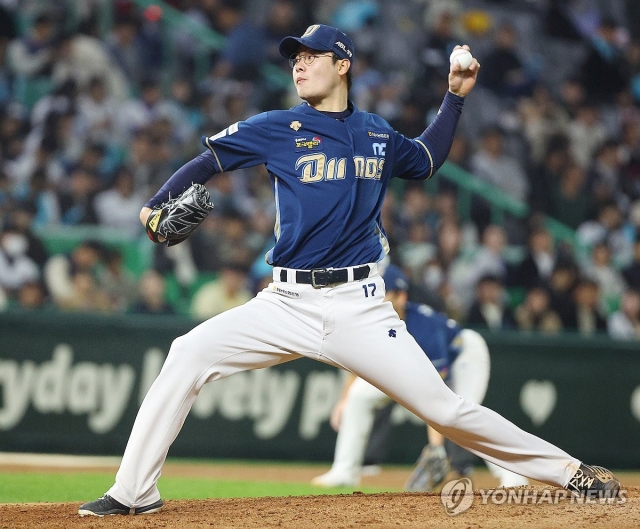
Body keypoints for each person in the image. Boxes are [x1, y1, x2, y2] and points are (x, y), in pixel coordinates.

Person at [79, 23, 619, 517]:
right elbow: (207, 161)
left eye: (312, 56)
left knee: (446, 409)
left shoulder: (376, 134)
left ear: (343, 65)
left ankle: (572, 472)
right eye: (295, 58)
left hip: (359, 305)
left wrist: (453, 99)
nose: (299, 65)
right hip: (284, 303)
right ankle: (133, 492)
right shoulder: (278, 126)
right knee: (187, 353)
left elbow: (427, 160)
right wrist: (154, 205)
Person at [311, 265, 529, 490]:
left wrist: (436, 447)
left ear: (401, 296)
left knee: (463, 416)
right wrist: (344, 400)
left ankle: (512, 474)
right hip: (414, 363)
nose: (375, 299)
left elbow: (434, 392)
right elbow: (359, 364)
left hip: (465, 356)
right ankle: (344, 470)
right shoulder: (374, 321)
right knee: (359, 396)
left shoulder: (423, 326)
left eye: (382, 293)